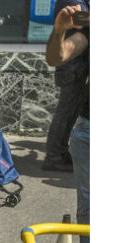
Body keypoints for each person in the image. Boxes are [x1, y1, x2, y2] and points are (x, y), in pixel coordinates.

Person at [46, 1, 89, 243]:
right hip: (90, 130)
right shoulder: (88, 29)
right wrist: (60, 31)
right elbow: (56, 56)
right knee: (90, 210)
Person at [41, 1, 89, 173]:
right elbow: (79, 17)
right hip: (72, 64)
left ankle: (57, 153)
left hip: (76, 62)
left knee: (69, 110)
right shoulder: (74, 4)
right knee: (67, 109)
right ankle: (55, 156)